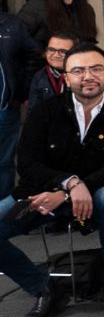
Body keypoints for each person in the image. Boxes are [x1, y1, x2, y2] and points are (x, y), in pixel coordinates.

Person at [0, 44, 104, 317]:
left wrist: (67, 192)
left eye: (96, 68)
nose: (88, 76)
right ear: (66, 78)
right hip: (41, 195)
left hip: (97, 196)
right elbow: (27, 164)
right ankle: (43, 287)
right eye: (78, 70)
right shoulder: (44, 111)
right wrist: (69, 184)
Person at [0, 12, 40, 197]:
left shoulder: (11, 24)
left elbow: (34, 55)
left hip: (5, 108)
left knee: (4, 163)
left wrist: (22, 90)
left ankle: (2, 214)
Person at [28, 32, 77, 106]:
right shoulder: (38, 77)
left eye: (63, 51)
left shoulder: (83, 76)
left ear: (75, 53)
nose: (56, 55)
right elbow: (33, 111)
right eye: (51, 50)